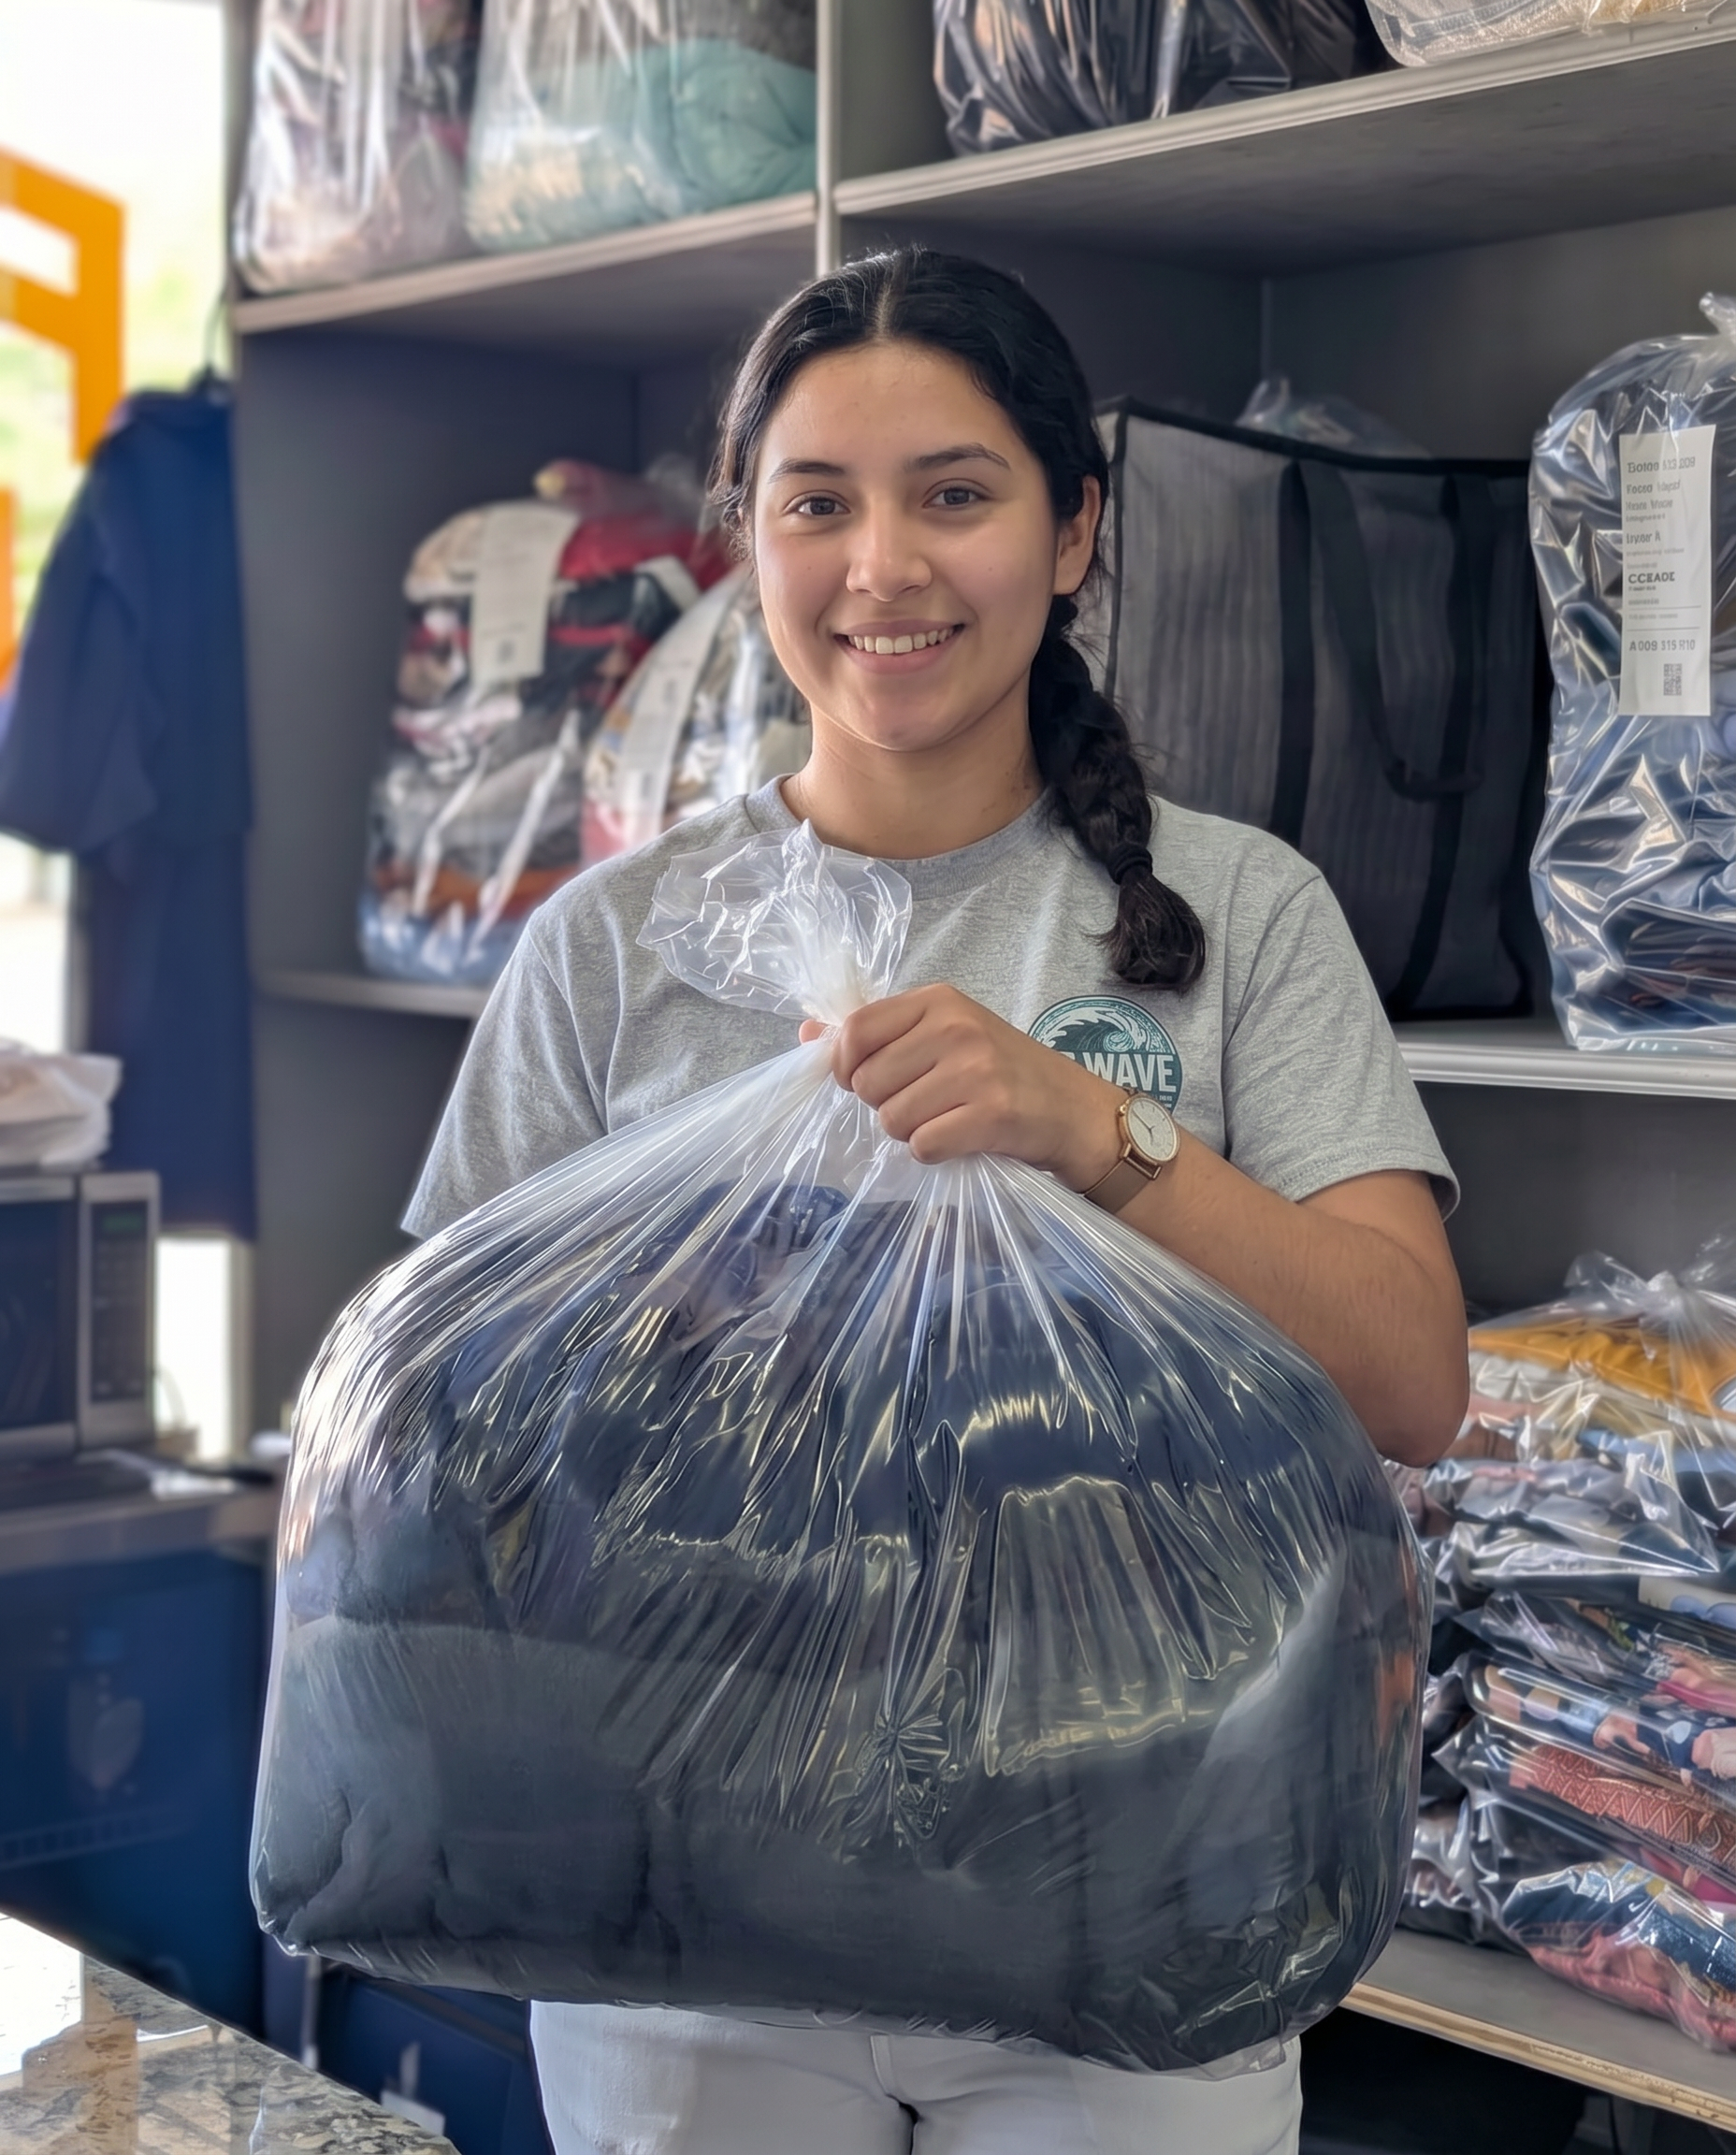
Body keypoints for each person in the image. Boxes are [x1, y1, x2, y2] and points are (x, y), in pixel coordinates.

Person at [404, 245, 1468, 2155]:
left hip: (1141, 1894)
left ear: (1071, 536)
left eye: (954, 496)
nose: (881, 568)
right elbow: (429, 1437)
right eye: (818, 504)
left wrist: (1102, 1141)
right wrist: (676, 1330)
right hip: (690, 1910)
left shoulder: (1242, 915)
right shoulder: (610, 951)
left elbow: (1410, 1381)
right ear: (749, 540)